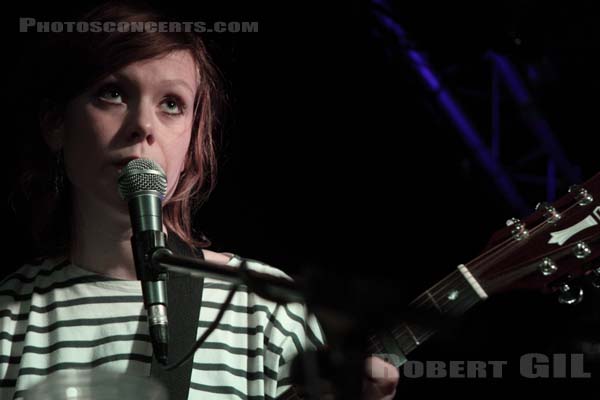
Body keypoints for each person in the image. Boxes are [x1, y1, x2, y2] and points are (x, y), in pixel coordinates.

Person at [1, 1, 399, 399]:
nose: (143, 124)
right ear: (55, 123)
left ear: (192, 142)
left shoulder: (263, 305)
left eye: (171, 104)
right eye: (113, 93)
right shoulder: (10, 316)